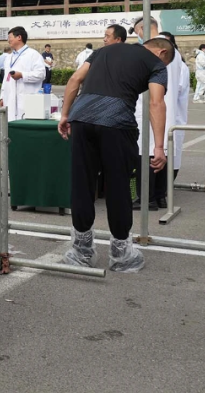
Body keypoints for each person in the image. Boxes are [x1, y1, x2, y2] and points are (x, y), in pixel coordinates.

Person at [58, 37, 174, 273]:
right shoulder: (157, 65)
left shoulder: (103, 51)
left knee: (82, 184)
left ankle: (81, 251)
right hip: (117, 124)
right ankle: (121, 255)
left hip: (81, 118)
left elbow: (74, 80)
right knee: (119, 185)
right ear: (162, 52)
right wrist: (159, 148)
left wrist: (65, 115)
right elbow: (156, 102)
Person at [133, 31, 189, 210]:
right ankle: (160, 196)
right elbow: (181, 88)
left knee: (149, 154)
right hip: (171, 113)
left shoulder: (153, 58)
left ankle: (147, 198)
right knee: (164, 153)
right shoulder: (179, 62)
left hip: (153, 109)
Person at [0, 27, 46, 121]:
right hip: (10, 100)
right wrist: (2, 96)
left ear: (19, 37)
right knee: (11, 127)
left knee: (27, 127)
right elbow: (6, 79)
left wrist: (22, 75)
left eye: (10, 37)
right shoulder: (9, 58)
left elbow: (41, 74)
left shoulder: (33, 55)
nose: (8, 41)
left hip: (29, 101)